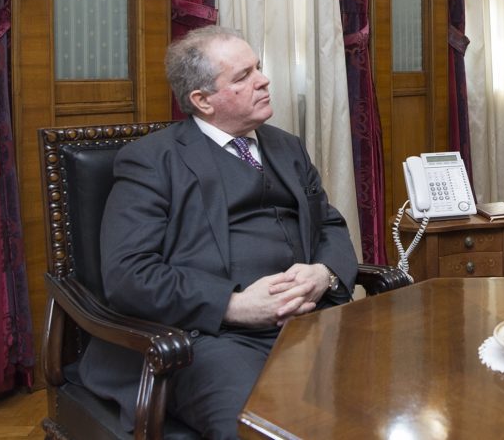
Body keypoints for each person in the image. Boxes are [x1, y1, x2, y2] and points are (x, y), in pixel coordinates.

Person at [78, 26, 358, 439]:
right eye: (243, 76)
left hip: (309, 321)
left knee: (395, 388)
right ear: (202, 100)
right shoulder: (151, 161)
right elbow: (128, 275)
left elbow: (329, 224)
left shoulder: (287, 147)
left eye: (258, 68)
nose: (264, 80)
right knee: (264, 429)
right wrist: (233, 305)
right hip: (210, 338)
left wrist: (324, 274)